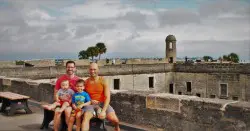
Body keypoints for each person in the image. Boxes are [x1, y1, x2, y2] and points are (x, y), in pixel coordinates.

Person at [82, 62, 120, 131]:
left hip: (103, 103)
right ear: (89, 70)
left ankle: (117, 128)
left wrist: (103, 111)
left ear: (98, 70)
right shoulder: (86, 82)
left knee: (115, 120)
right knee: (86, 118)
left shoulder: (103, 80)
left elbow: (107, 97)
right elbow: (83, 95)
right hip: (91, 104)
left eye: (94, 69)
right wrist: (90, 101)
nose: (92, 71)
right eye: (91, 69)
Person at [53, 60, 79, 131]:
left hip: (72, 103)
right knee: (57, 112)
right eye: (68, 67)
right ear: (66, 68)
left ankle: (69, 128)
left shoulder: (78, 80)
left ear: (75, 68)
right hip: (61, 102)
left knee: (67, 112)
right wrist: (58, 99)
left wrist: (72, 102)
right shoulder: (60, 79)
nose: (70, 69)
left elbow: (80, 93)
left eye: (72, 67)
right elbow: (56, 93)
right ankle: (55, 129)